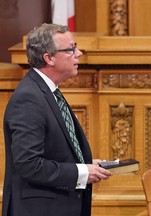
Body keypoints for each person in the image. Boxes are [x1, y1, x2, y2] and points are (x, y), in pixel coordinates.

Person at [2, 23, 112, 216]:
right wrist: (81, 173)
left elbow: (51, 151)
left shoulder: (46, 91)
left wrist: (85, 163)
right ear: (49, 58)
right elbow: (29, 164)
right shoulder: (29, 98)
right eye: (71, 49)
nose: (78, 53)